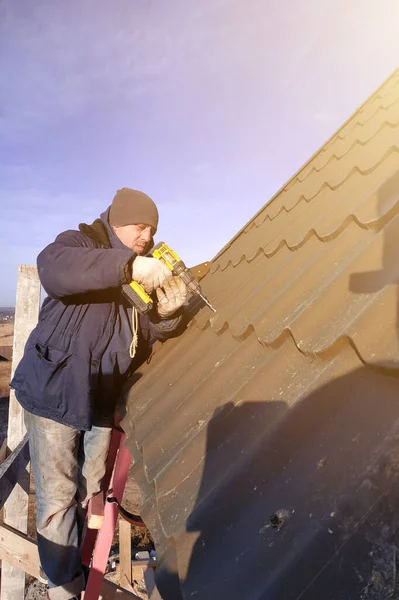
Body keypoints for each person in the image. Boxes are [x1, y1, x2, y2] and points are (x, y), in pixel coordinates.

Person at [10, 188, 187, 600]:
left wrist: (166, 316)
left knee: (92, 492)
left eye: (152, 230)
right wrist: (129, 268)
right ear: (117, 220)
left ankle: (85, 559)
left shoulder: (143, 272)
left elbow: (141, 343)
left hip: (100, 401)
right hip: (56, 392)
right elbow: (53, 269)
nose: (146, 236)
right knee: (56, 496)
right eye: (140, 226)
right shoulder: (79, 244)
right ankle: (62, 586)